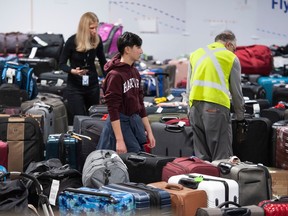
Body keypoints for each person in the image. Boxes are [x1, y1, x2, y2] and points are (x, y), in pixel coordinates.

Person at [187, 30, 245, 161]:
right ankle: (223, 181)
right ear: (229, 44)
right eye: (234, 49)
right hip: (216, 107)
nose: (234, 52)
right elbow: (236, 92)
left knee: (201, 157)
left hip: (194, 108)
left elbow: (188, 87)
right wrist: (241, 117)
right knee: (222, 157)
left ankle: (203, 181)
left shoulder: (195, 54)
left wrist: (189, 109)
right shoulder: (230, 57)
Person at [97, 31, 156, 154]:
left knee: (138, 162)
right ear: (128, 49)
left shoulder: (135, 72)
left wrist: (149, 132)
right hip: (118, 127)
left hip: (133, 123)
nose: (141, 51)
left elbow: (140, 104)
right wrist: (119, 140)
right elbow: (113, 109)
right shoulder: (115, 75)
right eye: (138, 47)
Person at [59, 12, 107, 119]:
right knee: (80, 118)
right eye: (91, 28)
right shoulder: (72, 41)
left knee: (94, 118)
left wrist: (107, 78)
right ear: (84, 28)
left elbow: (103, 61)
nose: (95, 31)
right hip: (75, 87)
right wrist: (73, 71)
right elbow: (61, 64)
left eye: (96, 27)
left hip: (92, 85)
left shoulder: (97, 40)